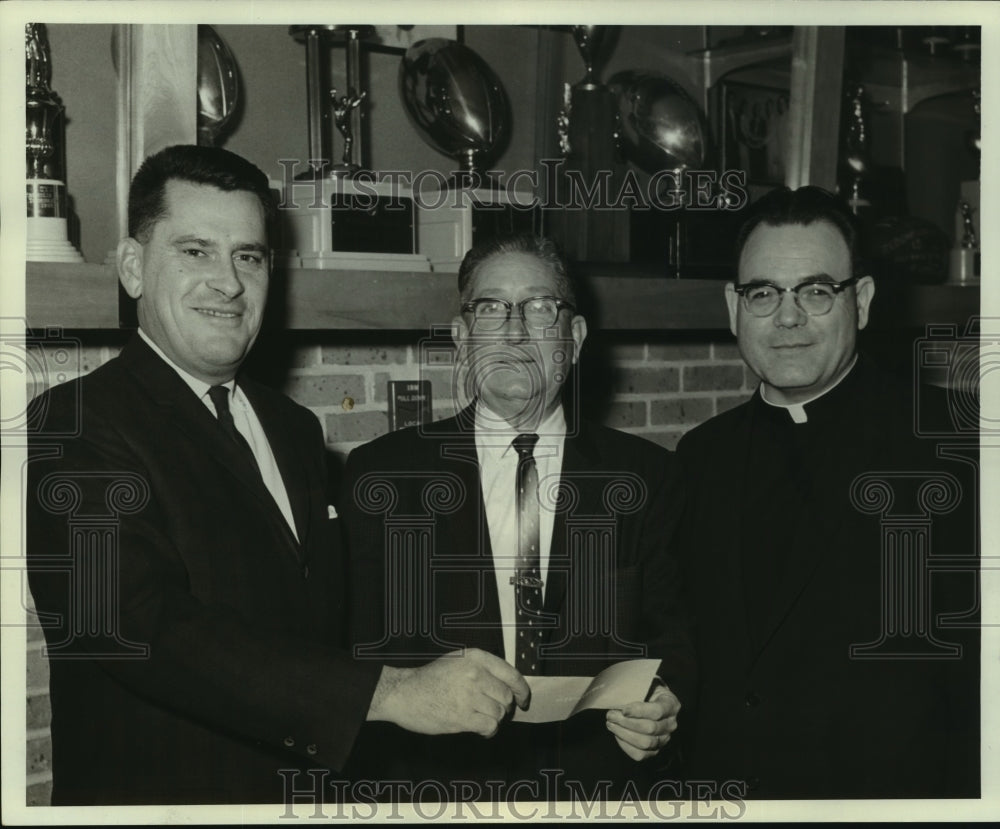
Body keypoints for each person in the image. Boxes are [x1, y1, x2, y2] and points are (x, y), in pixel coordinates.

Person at [25, 145, 529, 806]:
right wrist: (395, 693)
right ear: (132, 268)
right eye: (196, 251)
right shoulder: (75, 423)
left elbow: (319, 623)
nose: (229, 283)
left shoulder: (292, 426)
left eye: (249, 256)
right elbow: (141, 626)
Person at [340, 234, 695, 801]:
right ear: (462, 338)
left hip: (595, 795)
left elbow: (673, 637)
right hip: (438, 794)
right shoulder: (382, 474)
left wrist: (667, 701)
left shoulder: (648, 477)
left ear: (573, 339)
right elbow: (355, 658)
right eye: (490, 308)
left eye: (539, 307)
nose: (514, 330)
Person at [675, 186, 979, 799]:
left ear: (861, 302)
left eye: (816, 291)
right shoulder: (699, 456)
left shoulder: (957, 444)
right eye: (763, 293)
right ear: (733, 307)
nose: (788, 318)